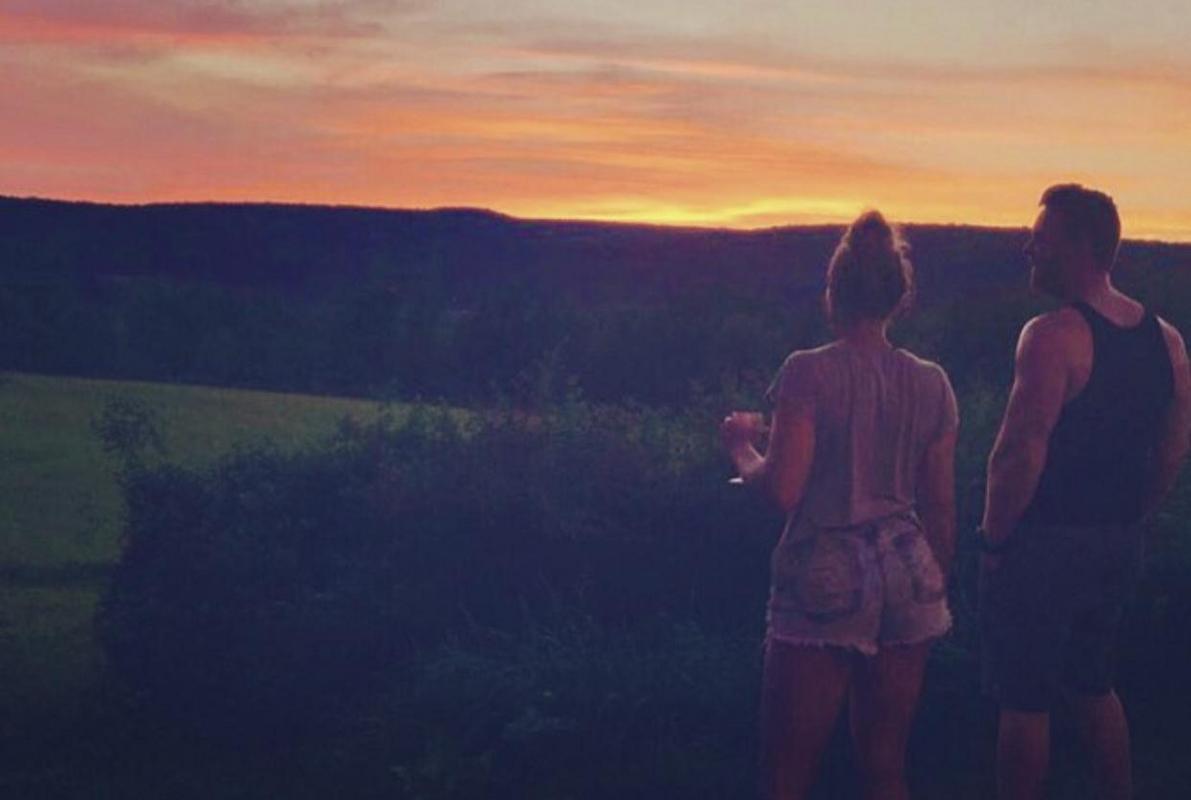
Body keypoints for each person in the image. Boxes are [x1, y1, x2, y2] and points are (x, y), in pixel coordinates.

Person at [721, 210, 958, 800]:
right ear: (898, 298)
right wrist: (934, 586)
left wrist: (742, 447)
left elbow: (783, 489)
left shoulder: (808, 372)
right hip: (908, 571)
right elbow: (940, 504)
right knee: (885, 763)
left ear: (834, 292)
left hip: (825, 571)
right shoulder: (932, 382)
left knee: (787, 770)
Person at [980, 184, 1191, 800]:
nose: (1029, 249)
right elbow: (1173, 447)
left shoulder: (1051, 336)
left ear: (1078, 246)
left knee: (1024, 695)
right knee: (1093, 682)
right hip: (1118, 541)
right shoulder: (1167, 341)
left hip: (1044, 542)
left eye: (1040, 239)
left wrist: (993, 540)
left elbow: (1019, 452)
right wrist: (1132, 515)